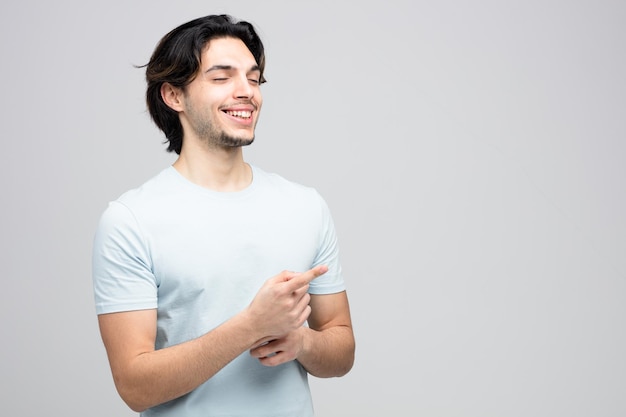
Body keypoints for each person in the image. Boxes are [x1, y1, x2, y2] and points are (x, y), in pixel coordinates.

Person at [91, 14, 355, 417]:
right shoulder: (131, 220)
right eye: (222, 78)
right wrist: (252, 325)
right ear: (174, 96)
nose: (246, 91)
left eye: (253, 78)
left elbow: (342, 349)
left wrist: (303, 343)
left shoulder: (305, 206)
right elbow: (134, 386)